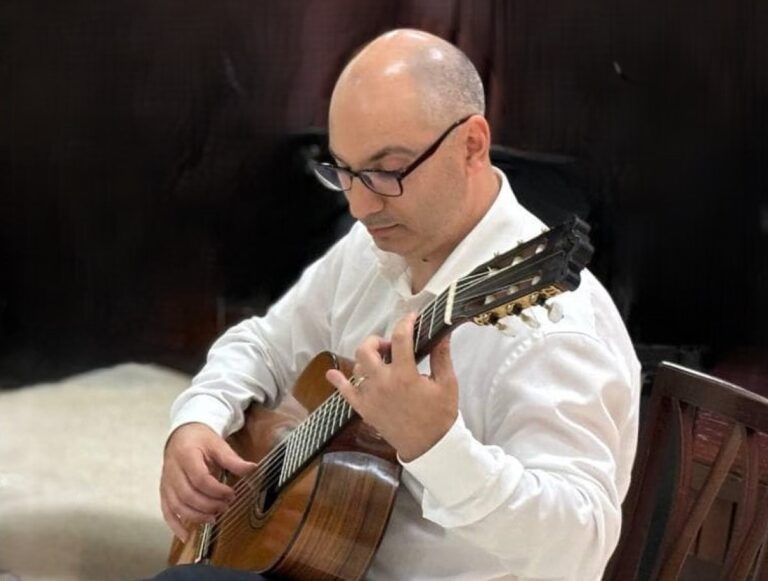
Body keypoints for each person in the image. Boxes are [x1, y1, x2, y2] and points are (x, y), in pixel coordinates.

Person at [155, 29, 641, 581]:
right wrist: (197, 419)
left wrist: (438, 446)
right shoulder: (374, 246)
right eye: (344, 172)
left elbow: (580, 549)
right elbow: (265, 345)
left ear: (472, 145)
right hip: (322, 560)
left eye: (388, 170)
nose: (361, 205)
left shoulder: (557, 329)